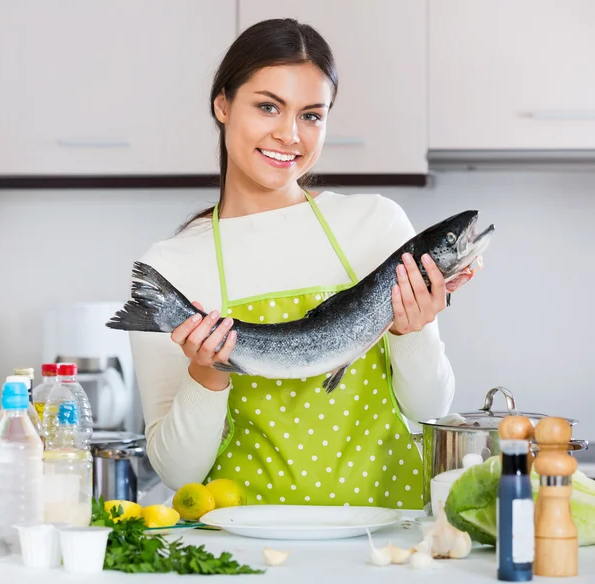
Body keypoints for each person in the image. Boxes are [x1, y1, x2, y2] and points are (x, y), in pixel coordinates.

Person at [129, 18, 474, 509]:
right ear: (222, 105)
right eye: (268, 106)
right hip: (246, 549)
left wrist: (410, 331)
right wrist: (208, 374)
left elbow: (430, 411)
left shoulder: (376, 225)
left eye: (311, 115)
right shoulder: (174, 267)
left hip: (385, 539)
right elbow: (178, 471)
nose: (289, 134)